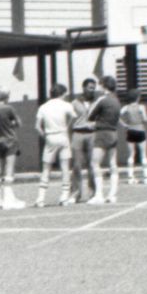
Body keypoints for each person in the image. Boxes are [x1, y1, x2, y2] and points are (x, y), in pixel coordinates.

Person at [34, 83, 78, 207]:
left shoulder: (43, 107)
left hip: (50, 136)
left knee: (46, 168)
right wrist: (67, 126)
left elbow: (37, 126)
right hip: (63, 135)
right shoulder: (66, 105)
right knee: (65, 167)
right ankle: (64, 196)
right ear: (62, 94)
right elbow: (74, 117)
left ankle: (41, 198)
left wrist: (45, 136)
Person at [82, 76, 124, 204]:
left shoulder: (102, 99)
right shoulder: (117, 100)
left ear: (104, 86)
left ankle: (99, 194)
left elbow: (90, 115)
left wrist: (95, 122)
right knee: (112, 164)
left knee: (95, 163)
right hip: (113, 132)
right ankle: (112, 194)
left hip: (102, 133)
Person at [67, 76, 102, 204]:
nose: (92, 90)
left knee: (92, 164)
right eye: (90, 88)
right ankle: (75, 193)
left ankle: (93, 192)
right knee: (76, 164)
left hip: (92, 134)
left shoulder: (97, 102)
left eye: (94, 88)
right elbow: (69, 119)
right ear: (84, 88)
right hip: (78, 133)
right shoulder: (75, 103)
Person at [118, 91, 147, 186]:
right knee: (143, 153)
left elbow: (117, 116)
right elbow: (145, 119)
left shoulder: (126, 108)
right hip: (140, 130)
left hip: (130, 130)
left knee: (131, 154)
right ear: (138, 98)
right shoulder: (141, 107)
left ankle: (130, 177)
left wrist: (124, 124)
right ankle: (146, 177)